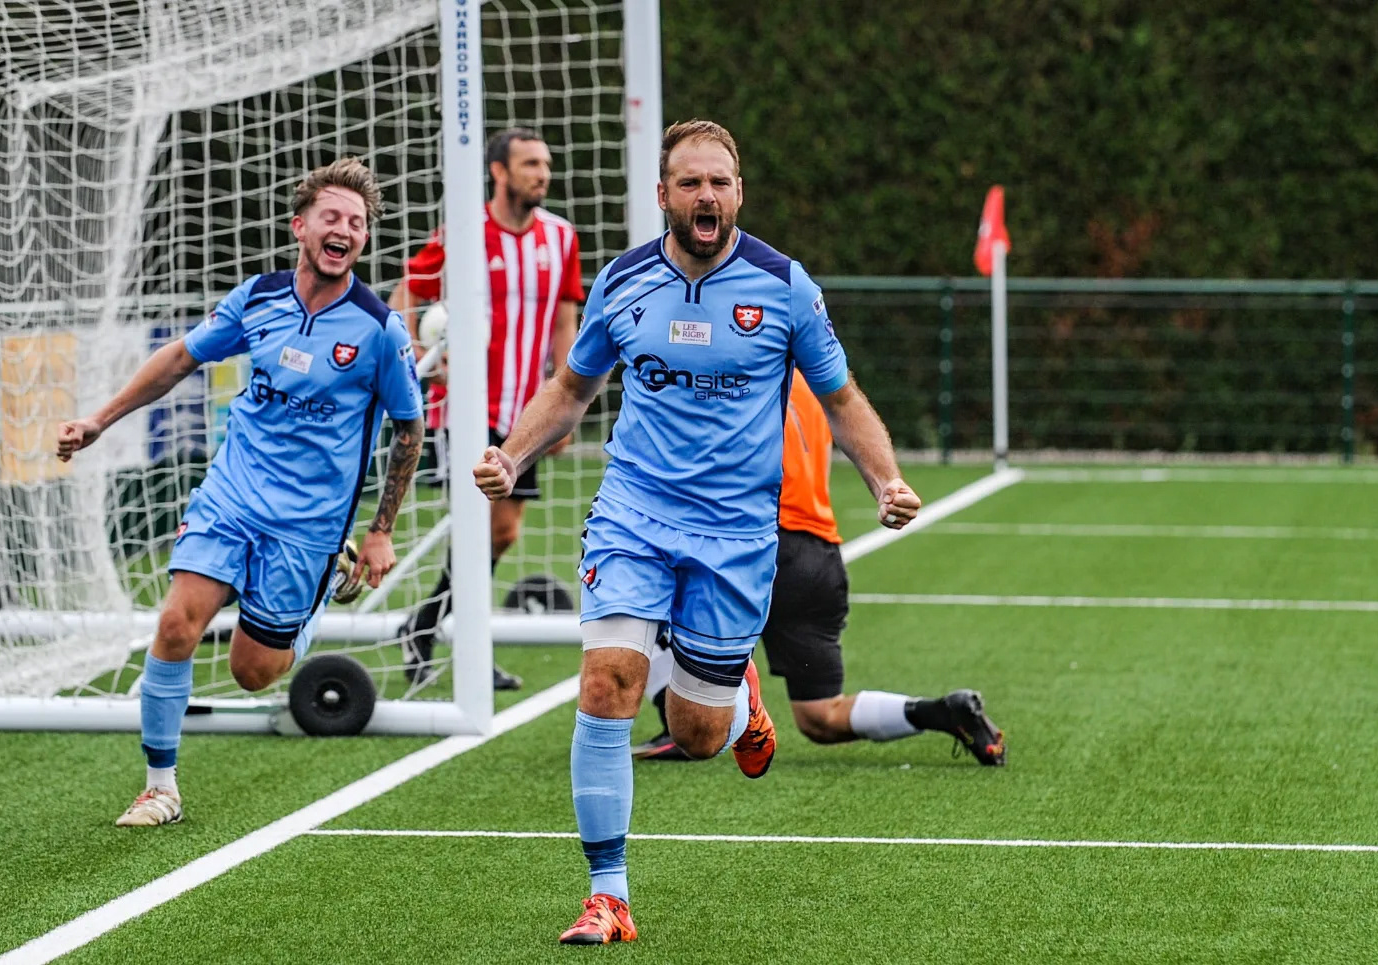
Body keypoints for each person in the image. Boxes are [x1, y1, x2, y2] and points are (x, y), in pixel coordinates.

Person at [471, 119, 923, 946]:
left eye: (719, 181)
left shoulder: (783, 286)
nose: (705, 194)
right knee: (607, 681)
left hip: (735, 534)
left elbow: (842, 398)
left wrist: (885, 479)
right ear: (664, 195)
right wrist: (510, 451)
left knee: (697, 733)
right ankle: (608, 894)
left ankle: (738, 700)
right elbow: (571, 389)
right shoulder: (624, 280)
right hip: (632, 513)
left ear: (738, 193)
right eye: (690, 182)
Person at [56, 158, 424, 827]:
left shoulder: (379, 328)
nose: (344, 230)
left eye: (357, 222)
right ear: (301, 226)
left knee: (253, 671)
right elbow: (179, 359)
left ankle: (318, 594)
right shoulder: (257, 297)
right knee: (176, 624)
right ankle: (160, 788)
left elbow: (409, 427)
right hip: (231, 496)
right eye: (332, 216)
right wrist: (98, 421)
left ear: (365, 239)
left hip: (307, 525)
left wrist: (379, 531)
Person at [632, 373, 1006, 764]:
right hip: (815, 554)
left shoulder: (725, 368)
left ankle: (688, 717)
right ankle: (940, 712)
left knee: (634, 578)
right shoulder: (817, 376)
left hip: (748, 539)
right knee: (820, 716)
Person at [388, 127, 583, 691]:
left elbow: (564, 322)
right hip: (466, 408)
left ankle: (423, 626)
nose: (542, 173)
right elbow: (408, 293)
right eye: (530, 164)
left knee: (503, 532)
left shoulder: (560, 237)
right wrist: (419, 355)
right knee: (483, 526)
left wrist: (568, 400)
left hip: (529, 410)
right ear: (499, 172)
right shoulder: (464, 233)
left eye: (545, 163)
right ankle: (458, 642)